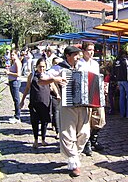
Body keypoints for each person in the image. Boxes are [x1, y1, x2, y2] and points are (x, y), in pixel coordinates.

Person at [41, 45, 89, 177]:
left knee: (85, 133)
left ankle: (74, 155)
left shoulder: (82, 67)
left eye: (79, 55)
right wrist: (54, 79)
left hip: (83, 105)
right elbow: (41, 80)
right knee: (67, 134)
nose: (78, 57)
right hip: (67, 104)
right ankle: (74, 161)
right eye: (75, 55)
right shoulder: (59, 68)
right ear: (68, 56)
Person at [78, 42, 106, 156]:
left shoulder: (95, 64)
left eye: (93, 50)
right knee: (87, 120)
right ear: (84, 51)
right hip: (85, 95)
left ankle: (94, 139)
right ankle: (87, 143)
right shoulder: (79, 64)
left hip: (95, 93)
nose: (91, 52)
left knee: (100, 118)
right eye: (89, 50)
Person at [19, 58, 51, 148]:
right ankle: (36, 140)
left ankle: (43, 139)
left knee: (45, 121)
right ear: (36, 66)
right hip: (34, 102)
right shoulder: (32, 76)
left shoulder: (48, 75)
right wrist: (22, 101)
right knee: (35, 122)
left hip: (45, 101)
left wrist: (58, 95)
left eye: (44, 67)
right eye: (40, 66)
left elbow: (52, 85)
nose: (42, 69)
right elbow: (27, 88)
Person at [114, 49, 128, 118]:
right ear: (124, 54)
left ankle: (122, 113)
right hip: (126, 80)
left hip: (119, 81)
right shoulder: (125, 61)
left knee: (121, 97)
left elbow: (114, 71)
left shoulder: (116, 61)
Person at [5, 50, 22, 124]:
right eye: (11, 55)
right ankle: (16, 115)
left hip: (15, 82)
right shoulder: (13, 62)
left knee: (16, 99)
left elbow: (18, 74)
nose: (11, 56)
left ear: (16, 55)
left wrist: (9, 73)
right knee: (15, 99)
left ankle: (18, 116)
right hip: (11, 81)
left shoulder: (17, 62)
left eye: (13, 55)